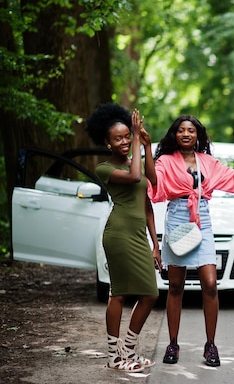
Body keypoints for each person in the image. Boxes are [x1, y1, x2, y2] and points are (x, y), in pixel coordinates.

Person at [148, 115, 234, 367]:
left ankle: (210, 345)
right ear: (175, 135)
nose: (186, 134)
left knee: (210, 284)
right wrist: (146, 146)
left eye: (191, 130)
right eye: (181, 130)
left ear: (198, 135)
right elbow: (154, 183)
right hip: (177, 218)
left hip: (203, 219)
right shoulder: (166, 161)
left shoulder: (207, 162)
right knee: (176, 286)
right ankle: (173, 343)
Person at [85, 103, 160, 372]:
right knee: (118, 293)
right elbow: (135, 176)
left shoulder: (134, 159)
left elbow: (151, 184)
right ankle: (113, 356)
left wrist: (156, 243)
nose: (125, 141)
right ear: (107, 143)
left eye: (128, 135)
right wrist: (139, 139)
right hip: (118, 234)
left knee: (150, 294)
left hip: (139, 235)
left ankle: (128, 349)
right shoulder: (104, 168)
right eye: (119, 138)